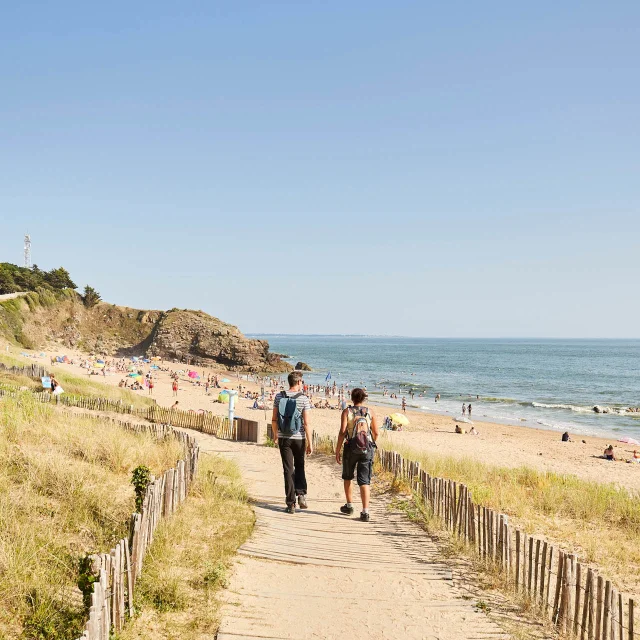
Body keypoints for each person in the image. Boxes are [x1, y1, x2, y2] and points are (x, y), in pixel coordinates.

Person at [335, 388, 379, 522]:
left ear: (352, 398)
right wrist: (369, 443)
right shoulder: (370, 412)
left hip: (350, 447)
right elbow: (376, 433)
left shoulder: (347, 411)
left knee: (348, 476)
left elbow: (342, 432)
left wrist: (337, 450)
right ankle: (365, 511)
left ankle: (349, 506)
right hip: (367, 448)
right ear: (364, 399)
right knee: (364, 480)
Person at [272, 371, 312, 514]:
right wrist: (310, 442)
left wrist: (276, 435)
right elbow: (306, 423)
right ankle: (301, 494)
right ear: (299, 382)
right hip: (299, 438)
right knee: (300, 466)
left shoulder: (279, 396)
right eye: (302, 382)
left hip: (284, 438)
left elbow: (274, 419)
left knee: (288, 470)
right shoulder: (303, 399)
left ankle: (291, 504)